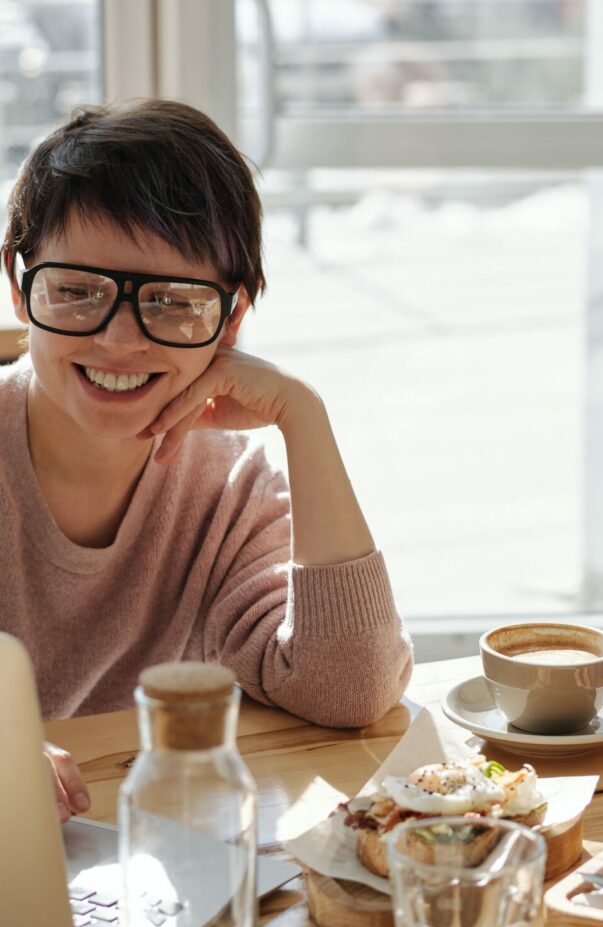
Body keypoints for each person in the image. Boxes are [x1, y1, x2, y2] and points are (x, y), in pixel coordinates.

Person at [1, 101, 413, 820]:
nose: (121, 339)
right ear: (19, 285)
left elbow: (349, 690)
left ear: (232, 318)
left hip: (127, 864)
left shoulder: (229, 489)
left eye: (172, 302)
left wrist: (301, 416)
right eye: (75, 292)